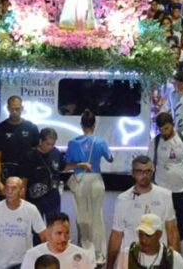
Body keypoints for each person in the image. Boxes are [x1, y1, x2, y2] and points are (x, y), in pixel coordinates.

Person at [107, 156, 179, 268]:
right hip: (131, 260)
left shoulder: (165, 196)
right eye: (139, 171)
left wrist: (175, 262)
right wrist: (109, 266)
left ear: (153, 171)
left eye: (148, 171)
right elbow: (117, 235)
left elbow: (172, 232)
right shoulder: (123, 200)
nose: (144, 175)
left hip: (159, 261)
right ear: (133, 173)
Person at [64, 109, 113, 265]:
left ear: (81, 124)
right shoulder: (100, 142)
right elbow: (110, 158)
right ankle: (99, 254)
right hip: (96, 181)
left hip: (80, 180)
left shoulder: (73, 143)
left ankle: (86, 251)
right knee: (97, 217)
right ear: (94, 124)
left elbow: (67, 164)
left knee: (82, 217)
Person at [148, 112, 183, 240]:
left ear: (173, 125)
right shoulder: (155, 142)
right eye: (161, 130)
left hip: (181, 188)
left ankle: (177, 238)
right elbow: (149, 165)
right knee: (161, 219)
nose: (164, 132)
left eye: (166, 128)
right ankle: (164, 242)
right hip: (162, 188)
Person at [0, 177, 47, 269]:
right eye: (7, 188)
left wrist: (44, 258)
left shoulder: (31, 209)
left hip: (23, 263)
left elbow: (43, 236)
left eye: (14, 188)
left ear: (22, 191)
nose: (10, 191)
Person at [0, 96, 39, 194]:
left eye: (17, 109)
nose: (14, 112)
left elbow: (37, 153)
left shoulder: (31, 128)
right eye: (12, 109)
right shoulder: (0, 129)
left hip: (28, 175)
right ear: (8, 108)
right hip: (8, 175)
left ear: (22, 108)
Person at [19, 213, 94, 269]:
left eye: (67, 233)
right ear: (48, 233)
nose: (64, 238)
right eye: (59, 233)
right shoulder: (32, 255)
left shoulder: (82, 255)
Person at [115, 214, 183, 269]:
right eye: (141, 234)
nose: (143, 240)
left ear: (159, 235)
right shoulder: (128, 254)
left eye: (148, 235)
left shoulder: (174, 258)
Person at [21, 128, 63, 221]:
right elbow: (24, 179)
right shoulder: (30, 155)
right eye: (47, 144)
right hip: (35, 199)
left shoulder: (56, 153)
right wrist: (22, 199)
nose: (50, 147)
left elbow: (62, 167)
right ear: (40, 141)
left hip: (53, 197)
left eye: (53, 144)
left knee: (53, 226)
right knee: (35, 229)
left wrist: (78, 165)